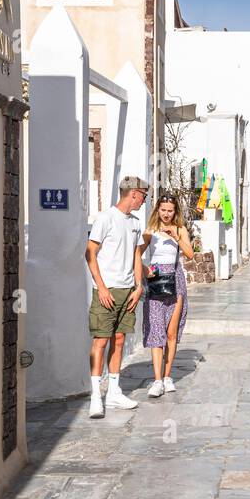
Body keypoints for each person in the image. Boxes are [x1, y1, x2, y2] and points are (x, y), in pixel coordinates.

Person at [84, 175, 149, 418]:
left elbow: (136, 255)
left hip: (127, 290)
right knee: (100, 340)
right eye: (143, 195)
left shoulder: (134, 223)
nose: (144, 200)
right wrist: (101, 287)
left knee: (119, 339)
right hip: (107, 289)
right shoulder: (106, 218)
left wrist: (138, 286)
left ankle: (113, 392)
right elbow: (90, 253)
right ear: (133, 193)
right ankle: (95, 396)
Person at [141, 192, 193, 398]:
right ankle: (157, 380)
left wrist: (176, 236)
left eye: (170, 211)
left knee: (171, 332)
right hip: (156, 278)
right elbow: (138, 253)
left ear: (175, 211)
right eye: (163, 210)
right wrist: (145, 269)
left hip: (175, 279)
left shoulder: (180, 229)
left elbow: (189, 254)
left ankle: (168, 376)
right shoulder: (150, 230)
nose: (166, 214)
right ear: (157, 210)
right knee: (156, 329)